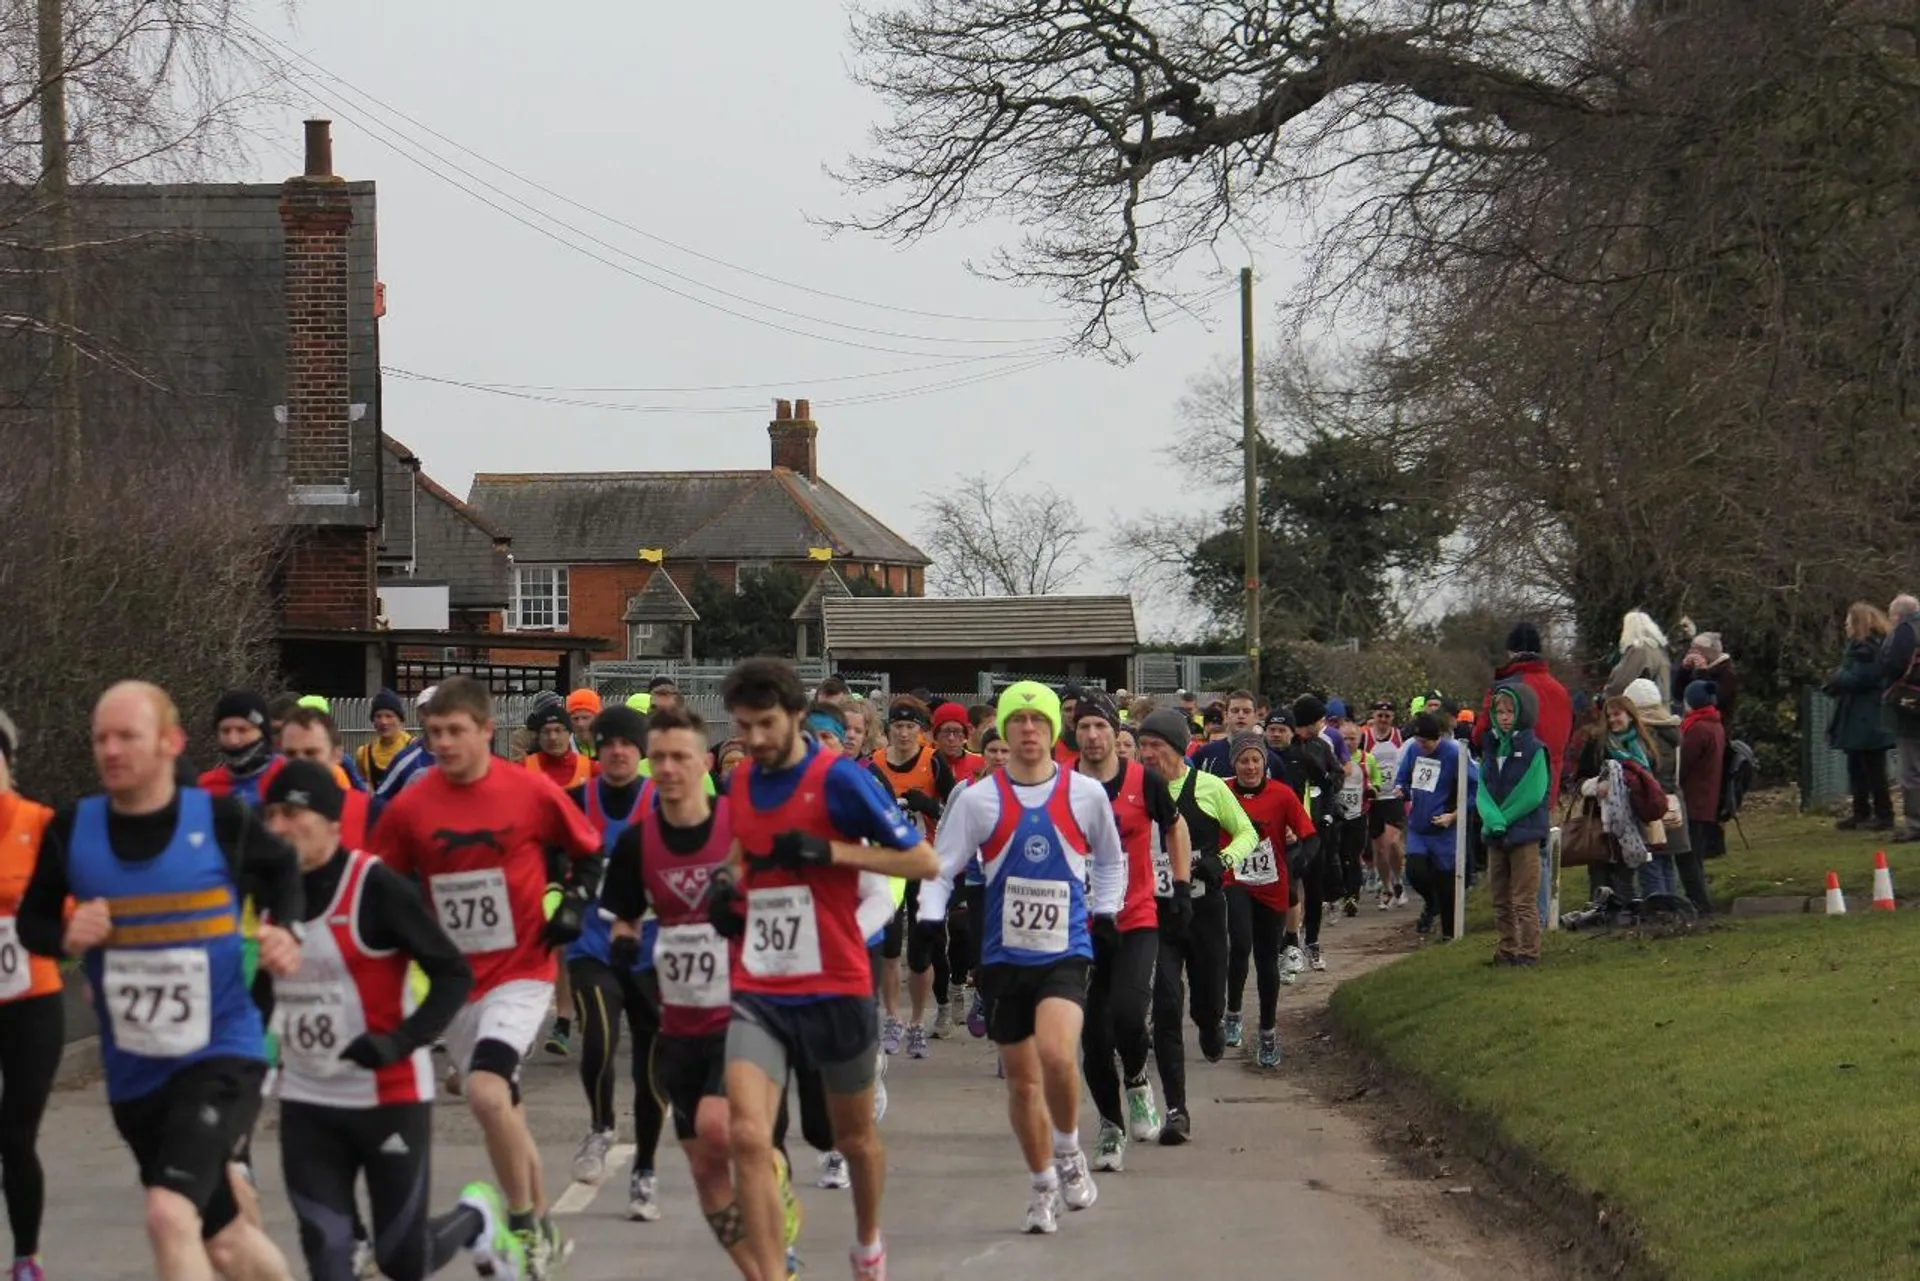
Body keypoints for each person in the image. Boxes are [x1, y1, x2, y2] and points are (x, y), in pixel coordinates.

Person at [18, 682, 303, 1281]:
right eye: (101, 738)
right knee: (224, 1241)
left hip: (222, 1053)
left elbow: (283, 871)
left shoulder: (221, 819)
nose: (112, 750)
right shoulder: (74, 829)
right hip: (136, 1072)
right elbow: (33, 924)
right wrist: (68, 937)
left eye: (128, 736)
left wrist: (287, 930)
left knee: (168, 1215)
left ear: (170, 742)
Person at [714, 659, 940, 1281]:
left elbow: (923, 861)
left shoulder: (838, 780)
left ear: (794, 716)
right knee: (747, 1136)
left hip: (834, 982)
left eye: (765, 724)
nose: (753, 740)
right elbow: (740, 852)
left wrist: (830, 851)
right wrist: (726, 886)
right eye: (742, 727)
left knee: (854, 1139)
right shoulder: (738, 784)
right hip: (760, 984)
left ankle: (868, 1240)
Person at [372, 676, 606, 1275]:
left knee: (483, 1090)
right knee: (504, 1107)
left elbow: (586, 849)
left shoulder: (527, 792)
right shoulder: (412, 807)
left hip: (522, 973)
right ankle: (543, 1229)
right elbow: (381, 888)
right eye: (433, 734)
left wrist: (575, 904)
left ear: (486, 730)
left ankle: (522, 1227)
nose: (443, 743)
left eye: (455, 732)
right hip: (454, 983)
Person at [260, 760, 519, 1281]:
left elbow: (452, 973)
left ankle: (477, 1218)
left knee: (401, 1258)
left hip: (389, 1095)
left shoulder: (373, 887)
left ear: (333, 822)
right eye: (271, 815)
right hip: (309, 1101)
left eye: (294, 813)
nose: (280, 827)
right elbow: (259, 995)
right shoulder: (264, 898)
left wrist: (398, 1042)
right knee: (329, 1256)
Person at [925, 682, 1124, 1233]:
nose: (1030, 729)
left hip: (1066, 949)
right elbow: (944, 869)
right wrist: (927, 920)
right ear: (1004, 732)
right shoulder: (978, 799)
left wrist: (1105, 914)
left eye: (1039, 720)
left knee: (1058, 1054)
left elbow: (1110, 861)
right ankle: (1041, 1186)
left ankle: (1068, 1151)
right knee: (1022, 1082)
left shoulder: (1084, 794)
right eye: (1019, 720)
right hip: (1004, 956)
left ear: (1052, 731)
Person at [598, 704, 776, 1279]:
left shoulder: (741, 828)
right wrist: (625, 943)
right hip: (679, 1020)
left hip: (747, 1013)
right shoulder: (636, 844)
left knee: (723, 1129)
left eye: (681, 756)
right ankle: (762, 1271)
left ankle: (774, 1239)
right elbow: (624, 916)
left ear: (705, 760)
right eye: (660, 757)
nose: (669, 768)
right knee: (703, 1168)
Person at [1071, 691, 1188, 1171]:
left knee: (1126, 1013)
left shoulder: (1144, 781)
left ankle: (1138, 1079)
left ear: (1115, 733)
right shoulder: (1063, 785)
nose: (1094, 737)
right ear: (1074, 735)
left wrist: (1179, 886)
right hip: (1080, 925)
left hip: (1136, 916)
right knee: (1093, 1036)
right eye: (1084, 728)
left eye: (1101, 727)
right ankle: (1110, 1127)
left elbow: (1175, 828)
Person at [561, 705, 668, 1222]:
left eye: (627, 743)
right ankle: (602, 1126)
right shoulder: (574, 802)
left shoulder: (663, 804)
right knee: (599, 1038)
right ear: (596, 750)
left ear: (641, 750)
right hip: (593, 944)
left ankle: (645, 1169)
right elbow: (540, 857)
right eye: (608, 744)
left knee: (652, 1068)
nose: (618, 751)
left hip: (652, 950)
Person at [1132, 709, 1253, 1144]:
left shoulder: (1209, 787)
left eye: (1156, 748)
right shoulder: (1137, 792)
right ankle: (1177, 1110)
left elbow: (1247, 833)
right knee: (1165, 1006)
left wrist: (1221, 860)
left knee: (1206, 997)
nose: (1147, 755)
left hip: (1204, 909)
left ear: (1178, 749)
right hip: (1157, 913)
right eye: (1142, 747)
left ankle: (1211, 1021)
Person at [0, 712, 61, 1281]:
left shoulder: (41, 824)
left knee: (15, 1133)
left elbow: (69, 911)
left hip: (32, 1001)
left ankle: (26, 1256)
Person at [1223, 732, 1315, 1068]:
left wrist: (1297, 862)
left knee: (1266, 961)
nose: (1249, 766)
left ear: (1264, 763)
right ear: (1234, 763)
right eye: (1243, 760)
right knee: (1240, 944)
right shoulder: (1222, 792)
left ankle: (1267, 1031)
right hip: (1235, 880)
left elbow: (1310, 836)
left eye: (1255, 760)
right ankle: (1232, 1012)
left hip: (1272, 886)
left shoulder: (1282, 795)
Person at [873, 698, 953, 1057]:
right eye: (898, 727)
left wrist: (931, 807)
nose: (904, 733)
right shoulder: (873, 764)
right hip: (889, 864)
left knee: (920, 952)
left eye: (911, 728)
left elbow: (955, 811)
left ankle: (919, 1021)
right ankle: (893, 1017)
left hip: (924, 863)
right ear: (888, 730)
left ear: (920, 731)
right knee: (890, 948)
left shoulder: (933, 761)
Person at [1476, 683, 1551, 966]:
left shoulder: (1535, 749)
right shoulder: (1491, 745)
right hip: (1496, 836)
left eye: (1510, 711)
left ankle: (1529, 952)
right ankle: (1506, 949)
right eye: (1500, 711)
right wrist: (1491, 819)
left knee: (1523, 899)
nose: (1505, 717)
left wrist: (1501, 819)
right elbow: (1482, 788)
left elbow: (1531, 794)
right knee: (1499, 898)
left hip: (1525, 834)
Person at [1393, 713, 1477, 939]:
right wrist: (1401, 789)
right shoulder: (1413, 750)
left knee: (1446, 882)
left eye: (1426, 742)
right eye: (1418, 742)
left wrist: (1454, 815)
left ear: (1438, 737)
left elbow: (1474, 790)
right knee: (1415, 872)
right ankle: (1432, 904)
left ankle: (1449, 934)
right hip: (1419, 826)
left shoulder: (1454, 754)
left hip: (1444, 830)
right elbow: (1403, 778)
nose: (1422, 746)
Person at [1828, 603, 1895, 833]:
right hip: (1861, 714)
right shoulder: (1869, 647)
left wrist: (1839, 676)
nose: (1845, 625)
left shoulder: (1867, 649)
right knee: (1858, 765)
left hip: (1867, 717)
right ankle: (1862, 811)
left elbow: (1860, 678)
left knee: (1872, 767)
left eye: (1848, 620)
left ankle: (1882, 814)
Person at [1624, 678, 1688, 904]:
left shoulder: (1643, 738)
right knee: (1667, 864)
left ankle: (1659, 912)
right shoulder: (1672, 732)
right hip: (1672, 804)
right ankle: (1674, 910)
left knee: (1649, 864)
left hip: (1650, 806)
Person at [271, 707, 374, 847]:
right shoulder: (266, 815)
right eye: (290, 754)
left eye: (311, 753)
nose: (301, 763)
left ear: (337, 755)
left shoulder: (370, 813)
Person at [1677, 682, 1726, 912]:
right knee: (1694, 855)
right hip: (1706, 800)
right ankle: (1700, 901)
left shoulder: (1697, 729)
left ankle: (1700, 903)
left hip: (1694, 800)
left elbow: (1683, 764)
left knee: (1688, 856)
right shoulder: (1715, 724)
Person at [1361, 701, 1409, 910]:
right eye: (1380, 715)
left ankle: (1398, 880)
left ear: (1392, 718)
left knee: (1392, 843)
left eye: (1387, 716)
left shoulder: (1399, 737)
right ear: (1374, 716)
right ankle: (1387, 887)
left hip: (1394, 797)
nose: (1383, 720)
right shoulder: (1365, 738)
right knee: (1379, 849)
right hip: (1374, 800)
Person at [1880, 595, 1920, 843]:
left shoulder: (1907, 631)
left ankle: (1916, 824)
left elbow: (1891, 665)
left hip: (1912, 707)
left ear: (1898, 615)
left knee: (1912, 768)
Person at [198, 689, 280, 806]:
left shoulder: (287, 776)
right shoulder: (204, 786)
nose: (233, 740)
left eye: (242, 730)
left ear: (262, 733)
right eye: (225, 731)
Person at [355, 689, 432, 799]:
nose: (383, 722)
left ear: (400, 719)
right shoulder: (364, 753)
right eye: (378, 716)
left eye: (389, 716)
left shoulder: (415, 748)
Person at [524, 700, 596, 792]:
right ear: (539, 736)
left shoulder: (591, 769)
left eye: (558, 730)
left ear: (569, 733)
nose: (553, 737)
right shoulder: (524, 768)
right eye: (546, 731)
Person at [1605, 610, 1672, 703]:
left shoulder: (1640, 650)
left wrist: (1607, 691)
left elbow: (1622, 681)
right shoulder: (1659, 650)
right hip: (1659, 707)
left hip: (1640, 708)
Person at [1680, 633, 1739, 725]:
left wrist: (1702, 671)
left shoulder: (1727, 673)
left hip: (1715, 725)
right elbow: (1678, 693)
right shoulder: (1695, 668)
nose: (1693, 653)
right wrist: (1684, 670)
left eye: (1698, 650)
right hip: (1690, 721)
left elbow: (1713, 699)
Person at [565, 689, 603, 760]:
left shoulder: (610, 745)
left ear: (597, 717)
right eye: (575, 718)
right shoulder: (564, 748)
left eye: (585, 718)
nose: (580, 724)